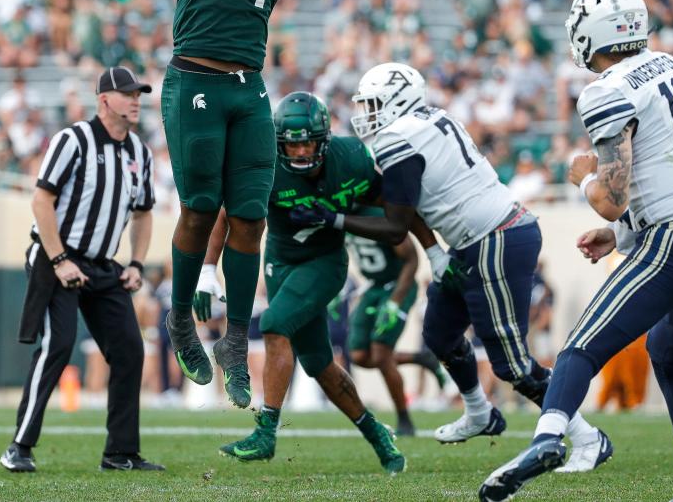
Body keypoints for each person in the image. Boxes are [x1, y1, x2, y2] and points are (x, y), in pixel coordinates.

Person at [479, 0, 673, 502]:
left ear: (590, 32)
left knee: (580, 345)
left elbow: (612, 197)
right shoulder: (670, 65)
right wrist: (621, 236)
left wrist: (581, 178)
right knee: (669, 355)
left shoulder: (607, 89)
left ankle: (550, 438)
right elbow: (672, 177)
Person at [295, 62, 607, 471]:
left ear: (397, 101)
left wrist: (333, 218)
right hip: (474, 240)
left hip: (497, 238)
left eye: (373, 104)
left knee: (511, 365)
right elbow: (409, 203)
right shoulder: (432, 120)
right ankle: (479, 412)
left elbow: (393, 225)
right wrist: (436, 252)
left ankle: (588, 437)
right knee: (439, 332)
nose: (366, 112)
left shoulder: (396, 138)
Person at [159, 0, 344, 410]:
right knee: (199, 206)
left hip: (248, 87)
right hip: (196, 80)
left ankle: (237, 340)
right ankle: (181, 320)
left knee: (248, 218)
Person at [214, 92, 405, 472]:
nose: (301, 152)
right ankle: (378, 436)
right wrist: (206, 270)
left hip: (325, 261)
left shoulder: (351, 159)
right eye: (293, 143)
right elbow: (226, 215)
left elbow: (395, 208)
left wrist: (430, 245)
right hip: (281, 263)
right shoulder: (263, 165)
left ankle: (266, 431)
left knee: (273, 323)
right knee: (319, 363)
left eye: (308, 142)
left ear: (324, 139)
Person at [0, 66, 162, 474]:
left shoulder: (139, 152)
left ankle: (120, 452)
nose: (136, 100)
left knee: (129, 348)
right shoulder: (73, 140)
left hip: (103, 265)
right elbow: (41, 201)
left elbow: (144, 214)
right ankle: (19, 445)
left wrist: (137, 262)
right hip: (56, 257)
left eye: (139, 93)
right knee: (59, 344)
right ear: (104, 99)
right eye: (128, 94)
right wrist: (59, 260)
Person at [345, 207, 447, 436]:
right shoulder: (341, 214)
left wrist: (394, 302)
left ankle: (404, 418)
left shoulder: (379, 215)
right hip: (372, 287)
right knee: (360, 356)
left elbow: (411, 260)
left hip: (398, 285)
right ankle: (421, 358)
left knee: (381, 353)